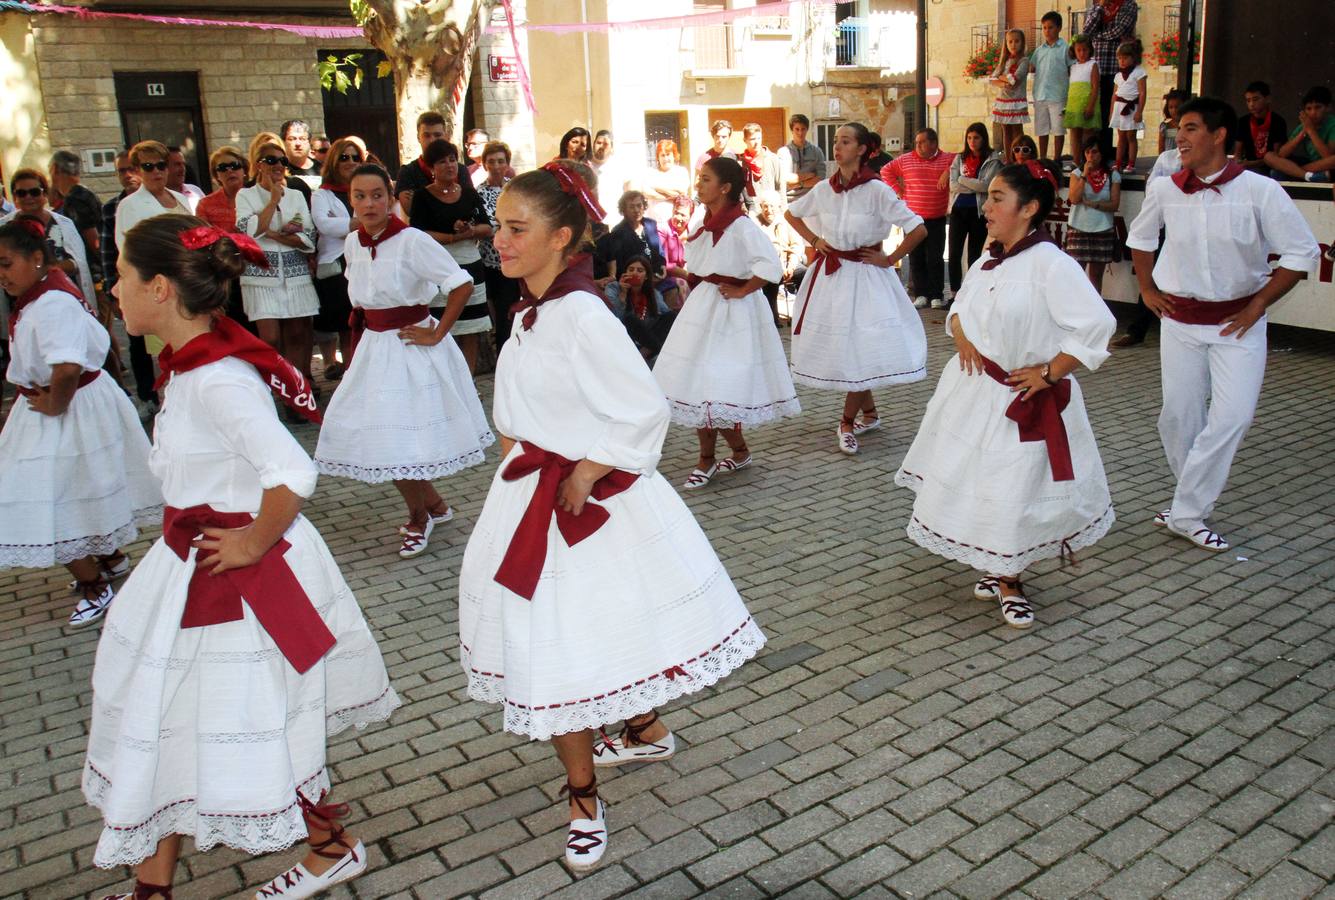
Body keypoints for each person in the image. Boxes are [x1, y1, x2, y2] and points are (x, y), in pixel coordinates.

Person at [457, 160, 765, 872]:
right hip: (531, 496)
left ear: (562, 237)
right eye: (498, 226)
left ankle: (583, 797)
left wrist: (590, 467)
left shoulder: (579, 314)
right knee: (581, 638)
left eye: (514, 228)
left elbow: (644, 407)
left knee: (561, 653)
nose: (498, 241)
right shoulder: (532, 310)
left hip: (579, 507)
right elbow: (516, 417)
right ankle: (645, 727)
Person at [87, 212, 398, 900]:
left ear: (160, 288)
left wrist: (253, 540)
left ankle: (329, 847)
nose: (113, 288)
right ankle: (155, 884)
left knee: (245, 714)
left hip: (237, 580)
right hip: (193, 569)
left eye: (120, 276)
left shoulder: (216, 379)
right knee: (175, 714)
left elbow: (292, 471)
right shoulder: (195, 367)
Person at [897, 163, 1116, 629]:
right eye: (988, 196)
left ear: (1029, 208)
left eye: (998, 197)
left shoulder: (1052, 265)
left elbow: (1097, 324)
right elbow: (959, 307)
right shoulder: (988, 257)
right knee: (981, 481)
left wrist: (1050, 372)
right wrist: (960, 335)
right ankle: (996, 562)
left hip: (1020, 399)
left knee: (1013, 486)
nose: (987, 206)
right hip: (973, 393)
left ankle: (1011, 577)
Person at [1126, 96, 1320, 552]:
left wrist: (1257, 307)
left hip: (1240, 325)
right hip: (1179, 321)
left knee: (1233, 417)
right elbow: (1140, 238)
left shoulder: (1260, 190)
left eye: (1191, 128)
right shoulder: (1165, 188)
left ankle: (1185, 509)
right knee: (1177, 417)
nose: (1181, 136)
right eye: (1180, 128)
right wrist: (1148, 290)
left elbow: (1302, 253)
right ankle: (1188, 507)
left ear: (1218, 137)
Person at [315, 163, 494, 559]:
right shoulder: (352, 243)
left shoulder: (411, 240)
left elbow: (461, 283)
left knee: (399, 439)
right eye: (359, 196)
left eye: (377, 195)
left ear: (392, 198)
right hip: (374, 348)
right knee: (384, 435)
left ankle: (419, 515)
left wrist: (437, 331)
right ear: (351, 201)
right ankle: (433, 506)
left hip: (410, 347)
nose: (369, 203)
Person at [0, 215, 159, 627]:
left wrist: (54, 404)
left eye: (5, 263)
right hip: (65, 401)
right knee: (79, 483)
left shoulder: (51, 301)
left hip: (64, 403)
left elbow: (68, 365)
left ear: (36, 258)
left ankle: (94, 585)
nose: (1, 275)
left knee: (48, 497)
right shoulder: (44, 292)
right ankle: (109, 556)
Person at [654, 157, 799, 487]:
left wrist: (744, 289)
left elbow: (770, 266)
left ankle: (714, 457)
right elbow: (698, 266)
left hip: (732, 314)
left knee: (717, 385)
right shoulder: (702, 223)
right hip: (703, 308)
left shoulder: (743, 227)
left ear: (725, 188)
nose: (698, 184)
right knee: (698, 384)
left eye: (705, 179)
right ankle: (727, 453)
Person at [787, 123, 928, 455]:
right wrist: (816, 240)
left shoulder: (877, 189)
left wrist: (890, 257)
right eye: (836, 141)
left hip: (866, 279)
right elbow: (792, 214)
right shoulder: (824, 189)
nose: (838, 147)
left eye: (845, 141)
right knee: (847, 348)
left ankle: (847, 421)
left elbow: (917, 227)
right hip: (832, 279)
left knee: (859, 347)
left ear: (863, 149)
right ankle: (870, 413)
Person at [234, 137, 319, 392]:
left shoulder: (295, 195)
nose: (277, 165)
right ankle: (274, 386)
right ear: (258, 164)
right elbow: (248, 232)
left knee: (297, 334)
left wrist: (274, 235)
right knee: (270, 338)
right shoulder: (246, 195)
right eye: (271, 160)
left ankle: (296, 390)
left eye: (281, 160)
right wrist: (272, 201)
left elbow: (308, 236)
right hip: (261, 276)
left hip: (295, 274)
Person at [408, 139, 494, 372]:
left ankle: (468, 379)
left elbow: (487, 227)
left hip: (470, 264)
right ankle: (443, 378)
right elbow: (417, 233)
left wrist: (470, 230)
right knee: (440, 324)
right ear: (431, 167)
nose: (449, 165)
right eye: (442, 161)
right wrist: (451, 237)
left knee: (471, 328)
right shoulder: (422, 197)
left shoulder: (469, 194)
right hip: (438, 266)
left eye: (453, 160)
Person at [3, 169, 98, 317]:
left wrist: (46, 270)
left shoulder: (63, 224)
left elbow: (79, 264)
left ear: (45, 194)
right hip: (19, 306)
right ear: (14, 197)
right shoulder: (4, 227)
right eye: (22, 193)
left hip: (63, 302)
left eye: (34, 192)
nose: (28, 197)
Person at [102, 150, 156, 410]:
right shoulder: (117, 206)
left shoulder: (176, 198)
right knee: (140, 344)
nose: (127, 175)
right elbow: (110, 250)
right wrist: (113, 292)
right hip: (138, 285)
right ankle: (148, 395)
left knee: (167, 347)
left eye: (130, 169)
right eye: (121, 171)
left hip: (173, 288)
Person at [880, 128, 954, 309]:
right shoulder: (906, 160)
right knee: (916, 257)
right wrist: (898, 191)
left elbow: (960, 161)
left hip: (936, 217)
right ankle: (921, 294)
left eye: (922, 142)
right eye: (917, 142)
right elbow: (885, 171)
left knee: (935, 258)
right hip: (913, 219)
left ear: (934, 143)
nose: (918, 146)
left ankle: (936, 295)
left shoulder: (947, 159)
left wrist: (948, 171)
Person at [311, 137, 364, 380]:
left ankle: (356, 373)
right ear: (333, 161)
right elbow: (323, 224)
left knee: (359, 323)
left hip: (361, 261)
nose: (350, 162)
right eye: (344, 157)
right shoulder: (322, 195)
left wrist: (346, 225)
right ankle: (348, 375)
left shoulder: (363, 190)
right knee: (343, 324)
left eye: (356, 157)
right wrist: (355, 223)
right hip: (335, 266)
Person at [194, 146, 251, 332]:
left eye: (234, 165)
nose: (229, 171)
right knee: (236, 328)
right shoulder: (206, 204)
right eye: (222, 168)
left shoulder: (256, 197)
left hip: (259, 269)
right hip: (227, 274)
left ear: (244, 170)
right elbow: (204, 240)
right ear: (216, 175)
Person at [947, 123, 1002, 302]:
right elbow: (953, 185)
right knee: (954, 252)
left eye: (976, 137)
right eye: (969, 137)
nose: (972, 141)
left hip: (978, 211)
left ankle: (971, 292)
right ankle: (955, 292)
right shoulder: (960, 158)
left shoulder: (993, 159)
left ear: (983, 138)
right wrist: (972, 183)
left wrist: (963, 179)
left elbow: (987, 185)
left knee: (974, 254)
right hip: (958, 209)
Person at [1066, 136, 1122, 295]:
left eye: (1095, 152)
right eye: (1087, 152)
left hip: (1102, 228)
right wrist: (1085, 174)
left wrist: (1093, 204)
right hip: (1078, 227)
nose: (1091, 155)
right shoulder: (1076, 174)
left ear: (1102, 154)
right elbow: (1074, 199)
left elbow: (1114, 204)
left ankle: (1095, 311)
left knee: (1096, 276)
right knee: (1075, 273)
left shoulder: (1112, 175)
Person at [478, 140, 520, 350]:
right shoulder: (479, 192)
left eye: (500, 161)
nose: (496, 165)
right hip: (489, 260)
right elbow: (485, 225)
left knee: (508, 310)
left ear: (507, 163)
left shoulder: (516, 190)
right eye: (491, 161)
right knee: (493, 311)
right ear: (484, 164)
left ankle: (507, 351)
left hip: (513, 258)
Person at [1082, 0, 1139, 145]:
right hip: (1098, 68)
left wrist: (1098, 35)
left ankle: (1123, 157)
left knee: (1120, 113)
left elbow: (1121, 30)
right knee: (1100, 114)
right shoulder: (1097, 6)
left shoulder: (1128, 5)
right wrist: (1101, 7)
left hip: (1119, 70)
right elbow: (1087, 30)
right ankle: (1102, 152)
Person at [593, 190, 668, 294]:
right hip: (636, 282)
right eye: (632, 207)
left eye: (639, 205)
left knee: (674, 287)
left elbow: (659, 251)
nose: (636, 210)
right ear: (624, 210)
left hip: (656, 275)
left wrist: (663, 265)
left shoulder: (650, 225)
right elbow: (621, 267)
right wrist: (644, 277)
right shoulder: (618, 232)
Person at [604, 254, 676, 360]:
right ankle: (656, 349)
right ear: (625, 273)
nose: (634, 273)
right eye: (631, 269)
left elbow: (666, 316)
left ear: (646, 276)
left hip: (646, 336)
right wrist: (623, 295)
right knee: (630, 318)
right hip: (624, 333)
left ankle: (645, 352)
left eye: (640, 270)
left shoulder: (653, 293)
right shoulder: (613, 288)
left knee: (671, 316)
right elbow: (613, 317)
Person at [48, 150, 102, 279]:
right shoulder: (83, 193)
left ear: (54, 169)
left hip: (95, 274)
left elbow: (94, 241)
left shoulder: (75, 199)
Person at [1264, 85, 1335, 182]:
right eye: (1309, 109)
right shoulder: (1305, 125)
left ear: (1328, 107)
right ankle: (1307, 176)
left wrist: (1311, 131)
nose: (1313, 112)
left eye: (1318, 107)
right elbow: (1281, 154)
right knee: (1269, 156)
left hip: (1327, 166)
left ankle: (1294, 172)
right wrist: (1303, 132)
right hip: (1311, 167)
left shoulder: (1332, 124)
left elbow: (1328, 157)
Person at [756, 191, 805, 326]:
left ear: (778, 207)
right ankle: (772, 319)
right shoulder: (756, 223)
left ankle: (803, 314)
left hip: (788, 263)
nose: (769, 210)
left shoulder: (786, 222)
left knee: (805, 274)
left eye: (772, 206)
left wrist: (791, 265)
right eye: (765, 206)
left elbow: (797, 245)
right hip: (768, 265)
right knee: (768, 279)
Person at [1030, 11, 1072, 164]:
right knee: (1042, 128)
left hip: (1058, 95)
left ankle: (1057, 157)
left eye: (1051, 27)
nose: (1047, 31)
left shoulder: (1065, 48)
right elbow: (1032, 68)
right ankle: (1042, 157)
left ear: (1059, 28)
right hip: (1040, 94)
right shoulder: (1039, 50)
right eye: (1045, 28)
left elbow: (1070, 69)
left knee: (1058, 128)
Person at [394, 111, 450, 214]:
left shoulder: (459, 169)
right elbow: (411, 211)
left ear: (445, 136)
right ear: (418, 137)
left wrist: (420, 199)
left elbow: (468, 207)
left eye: (437, 135)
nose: (432, 140)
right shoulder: (407, 172)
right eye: (427, 135)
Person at [991, 29, 1032, 161]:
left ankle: (1020, 159)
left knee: (1017, 133)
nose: (1013, 44)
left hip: (1016, 102)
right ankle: (1008, 160)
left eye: (1017, 41)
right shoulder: (1004, 61)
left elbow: (1014, 80)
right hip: (1003, 102)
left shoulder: (1024, 61)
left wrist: (1001, 78)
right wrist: (1003, 83)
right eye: (1010, 41)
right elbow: (992, 79)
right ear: (1006, 44)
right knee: (1006, 133)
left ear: (1022, 42)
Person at [1109, 40, 1148, 173]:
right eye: (1119, 58)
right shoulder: (1118, 75)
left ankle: (1131, 163)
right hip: (1119, 108)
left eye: (1125, 58)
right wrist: (1111, 112)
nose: (1122, 61)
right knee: (1121, 137)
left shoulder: (1139, 72)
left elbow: (1142, 92)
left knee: (1131, 136)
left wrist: (1140, 112)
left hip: (1132, 108)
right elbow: (1114, 95)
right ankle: (1118, 162)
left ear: (1133, 58)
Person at [1232, 81, 1288, 172]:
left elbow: (1277, 156)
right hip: (1248, 167)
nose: (1251, 104)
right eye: (1248, 100)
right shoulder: (1243, 122)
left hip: (1270, 167)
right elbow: (1237, 153)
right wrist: (1238, 163)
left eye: (1255, 99)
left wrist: (1253, 164)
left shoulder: (1278, 121)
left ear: (1268, 99)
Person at [1064, 35, 1101, 160]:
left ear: (1090, 50)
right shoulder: (1073, 67)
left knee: (1087, 134)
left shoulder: (1093, 64)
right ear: (1074, 51)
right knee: (1074, 134)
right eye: (1078, 50)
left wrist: (1090, 106)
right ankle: (1076, 161)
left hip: (1087, 103)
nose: (1082, 53)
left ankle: (1088, 160)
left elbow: (1095, 87)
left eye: (1084, 49)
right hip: (1074, 105)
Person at [639, 139, 691, 224]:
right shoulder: (650, 173)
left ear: (674, 156)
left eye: (668, 155)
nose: (666, 159)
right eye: (662, 155)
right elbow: (646, 192)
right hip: (654, 222)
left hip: (675, 222)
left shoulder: (681, 172)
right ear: (658, 158)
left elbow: (680, 192)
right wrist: (669, 196)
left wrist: (656, 187)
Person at [778, 113, 826, 203]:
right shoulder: (783, 152)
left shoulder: (817, 151)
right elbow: (784, 178)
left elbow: (820, 178)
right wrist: (809, 175)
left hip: (811, 199)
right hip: (789, 200)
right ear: (792, 130)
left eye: (803, 129)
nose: (800, 133)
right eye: (797, 129)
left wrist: (799, 183)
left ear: (807, 130)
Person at [738, 122, 783, 213]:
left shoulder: (772, 159)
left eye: (759, 138)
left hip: (771, 212)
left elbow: (780, 187)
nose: (756, 142)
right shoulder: (740, 163)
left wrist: (781, 214)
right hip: (751, 212)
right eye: (752, 139)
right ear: (745, 140)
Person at [281, 118, 321, 186]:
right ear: (284, 142)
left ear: (309, 142)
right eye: (292, 139)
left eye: (302, 139)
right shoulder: (280, 169)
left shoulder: (323, 169)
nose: (298, 144)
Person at [1160, 89, 1189, 153]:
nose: (1174, 110)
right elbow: (1161, 147)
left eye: (1177, 107)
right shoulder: (1165, 126)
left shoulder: (1189, 126)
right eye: (1171, 107)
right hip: (1169, 159)